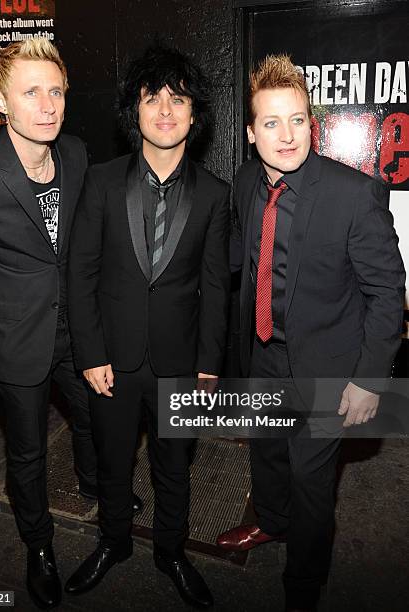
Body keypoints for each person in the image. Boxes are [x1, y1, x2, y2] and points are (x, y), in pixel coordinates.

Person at [217, 54, 405, 612]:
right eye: (271, 123)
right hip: (265, 355)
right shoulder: (247, 182)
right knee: (269, 454)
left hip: (329, 368)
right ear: (251, 133)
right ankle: (271, 524)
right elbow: (242, 263)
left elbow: (386, 292)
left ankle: (305, 582)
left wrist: (369, 381)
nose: (286, 135)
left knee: (311, 478)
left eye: (298, 119)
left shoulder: (353, 194)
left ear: (312, 124)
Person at [0, 39, 120, 610]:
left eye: (56, 91)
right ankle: (39, 546)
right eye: (31, 92)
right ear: (1, 101)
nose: (48, 105)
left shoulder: (74, 152)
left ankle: (97, 486)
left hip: (77, 333)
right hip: (13, 340)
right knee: (26, 453)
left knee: (97, 417)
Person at [66, 45, 230, 609]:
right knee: (113, 463)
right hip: (111, 359)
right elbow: (81, 272)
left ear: (194, 114)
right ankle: (112, 544)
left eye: (178, 99)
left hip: (180, 365)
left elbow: (216, 289)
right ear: (133, 111)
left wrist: (209, 364)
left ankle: (172, 552)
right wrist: (89, 352)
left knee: (175, 469)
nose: (165, 110)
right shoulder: (102, 182)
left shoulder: (214, 195)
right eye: (152, 98)